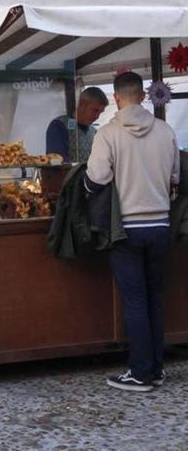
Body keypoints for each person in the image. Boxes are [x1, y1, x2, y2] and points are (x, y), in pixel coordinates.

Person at [85, 72, 180, 392]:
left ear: (116, 98)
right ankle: (156, 367)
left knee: (135, 300)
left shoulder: (108, 134)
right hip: (160, 225)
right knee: (155, 297)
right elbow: (175, 177)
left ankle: (140, 372)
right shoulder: (166, 132)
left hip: (125, 227)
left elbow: (96, 178)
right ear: (142, 96)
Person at [45, 87, 109, 163]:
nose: (97, 116)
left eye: (100, 113)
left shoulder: (94, 132)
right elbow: (56, 161)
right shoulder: (59, 126)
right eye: (95, 110)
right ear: (82, 103)